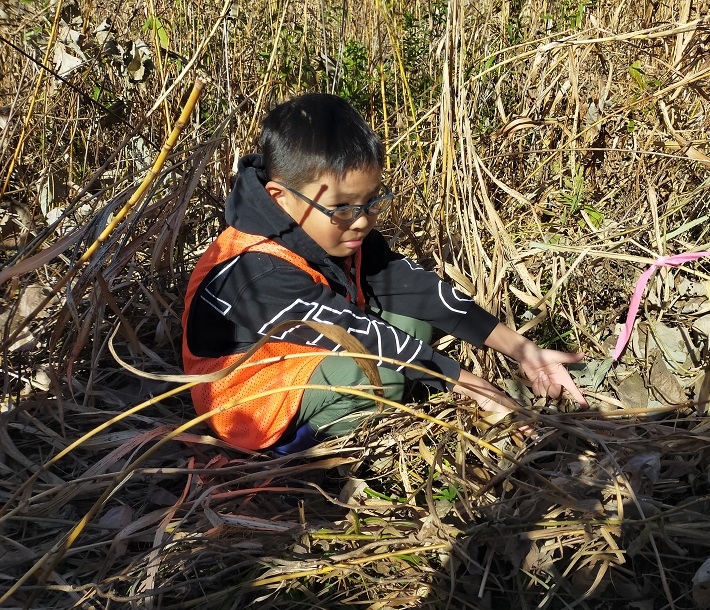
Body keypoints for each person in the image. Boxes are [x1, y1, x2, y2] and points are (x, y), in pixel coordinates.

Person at [181, 93, 586, 454]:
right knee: (381, 379)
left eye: (372, 202)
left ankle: (369, 400)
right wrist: (472, 385)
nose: (361, 222)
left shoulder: (336, 232)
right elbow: (358, 338)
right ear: (281, 199)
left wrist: (523, 351)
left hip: (307, 352)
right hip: (251, 399)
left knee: (414, 324)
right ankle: (292, 449)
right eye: (343, 208)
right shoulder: (255, 268)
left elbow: (416, 290)